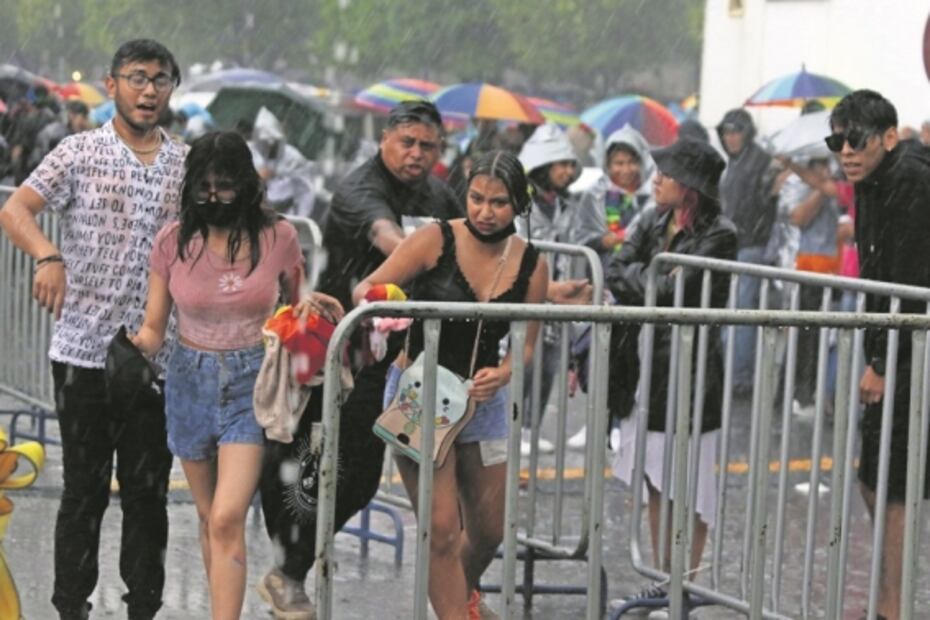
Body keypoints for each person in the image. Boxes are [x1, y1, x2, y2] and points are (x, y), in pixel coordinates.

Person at [0, 39, 185, 620]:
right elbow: (14, 210)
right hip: (83, 350)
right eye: (137, 77)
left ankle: (144, 606)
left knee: (147, 494)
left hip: (159, 358)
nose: (148, 90)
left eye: (160, 79)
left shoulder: (186, 161)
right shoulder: (78, 152)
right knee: (83, 491)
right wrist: (47, 255)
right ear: (111, 85)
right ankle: (71, 606)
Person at [257, 100, 464, 620]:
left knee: (361, 475)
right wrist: (430, 257)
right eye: (407, 143)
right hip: (336, 346)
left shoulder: (439, 194)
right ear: (384, 141)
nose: (417, 154)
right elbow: (392, 242)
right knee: (302, 460)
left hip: (398, 356)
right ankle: (289, 569)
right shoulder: (359, 189)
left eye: (428, 146)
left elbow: (467, 244)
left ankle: (293, 567)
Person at [354, 149, 548, 619]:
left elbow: (525, 350)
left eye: (499, 202)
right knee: (440, 528)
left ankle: (459, 594)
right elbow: (366, 289)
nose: (485, 211)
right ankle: (455, 612)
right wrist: (388, 304)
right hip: (420, 394)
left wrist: (502, 375)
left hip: (485, 401)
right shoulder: (433, 239)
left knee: (489, 528)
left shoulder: (533, 265)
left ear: (518, 205)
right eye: (477, 198)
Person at [607, 138, 737, 609]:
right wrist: (651, 277)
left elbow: (674, 288)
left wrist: (647, 279)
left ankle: (686, 581)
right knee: (657, 476)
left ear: (692, 187)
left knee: (691, 481)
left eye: (666, 173)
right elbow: (618, 268)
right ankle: (665, 579)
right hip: (644, 365)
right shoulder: (653, 218)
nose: (655, 178)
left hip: (691, 369)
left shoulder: (721, 233)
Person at [829, 89, 930, 620]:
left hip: (912, 352)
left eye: (857, 140)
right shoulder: (872, 180)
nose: (845, 151)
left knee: (892, 484)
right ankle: (890, 601)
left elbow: (911, 279)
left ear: (889, 138)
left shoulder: (911, 179)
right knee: (878, 479)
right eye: (837, 141)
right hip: (897, 345)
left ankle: (891, 608)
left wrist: (884, 365)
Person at [568, 124, 658, 450]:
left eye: (630, 162)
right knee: (593, 356)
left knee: (627, 359)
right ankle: (595, 420)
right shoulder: (595, 195)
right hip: (602, 286)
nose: (624, 170)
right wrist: (604, 239)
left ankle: (621, 422)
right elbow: (580, 235)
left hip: (635, 290)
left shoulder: (653, 197)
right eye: (617, 163)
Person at [516, 122, 584, 455]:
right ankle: (512, 428)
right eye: (562, 164)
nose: (568, 171)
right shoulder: (519, 204)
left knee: (549, 365)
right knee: (521, 366)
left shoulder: (566, 205)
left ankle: (531, 427)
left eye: (570, 165)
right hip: (527, 297)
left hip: (557, 301)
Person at [716, 108, 774, 395]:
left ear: (747, 133)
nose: (731, 137)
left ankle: (739, 377)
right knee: (735, 313)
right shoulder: (736, 163)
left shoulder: (757, 162)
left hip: (750, 246)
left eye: (736, 131)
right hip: (736, 245)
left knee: (741, 314)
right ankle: (734, 374)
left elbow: (757, 206)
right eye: (726, 132)